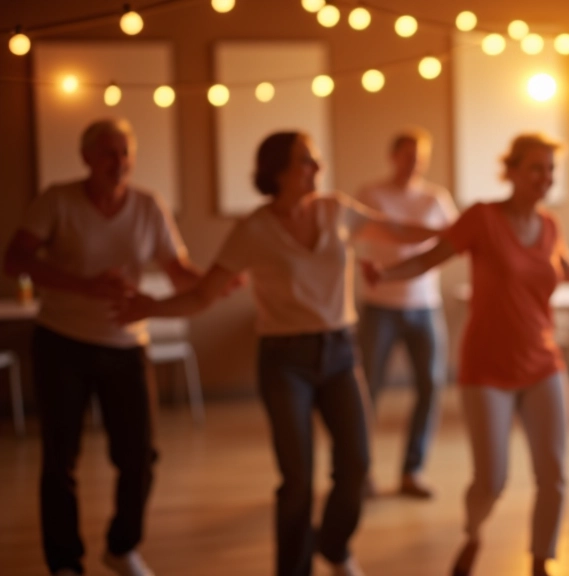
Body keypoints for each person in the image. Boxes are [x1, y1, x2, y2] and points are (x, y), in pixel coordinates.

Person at [118, 131, 441, 576]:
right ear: (277, 173)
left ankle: (334, 545)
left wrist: (460, 233)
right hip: (284, 360)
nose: (316, 169)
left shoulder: (336, 209)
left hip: (340, 352)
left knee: (356, 465)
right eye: (305, 162)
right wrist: (151, 307)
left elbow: (401, 230)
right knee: (297, 482)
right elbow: (204, 293)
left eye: (316, 160)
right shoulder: (253, 229)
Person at [361, 133, 569, 576]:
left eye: (551, 170)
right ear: (512, 171)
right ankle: (473, 533)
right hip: (487, 368)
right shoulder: (482, 218)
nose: (545, 178)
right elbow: (430, 258)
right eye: (536, 168)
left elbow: (564, 270)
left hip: (543, 363)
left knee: (555, 475)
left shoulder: (550, 225)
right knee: (492, 480)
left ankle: (542, 561)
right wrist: (385, 273)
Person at [3, 118, 203, 576]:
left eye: (126, 153)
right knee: (60, 461)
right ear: (87, 158)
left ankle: (122, 546)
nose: (120, 163)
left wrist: (221, 278)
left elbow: (178, 270)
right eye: (110, 153)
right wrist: (83, 285)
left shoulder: (149, 205)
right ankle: (65, 564)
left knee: (141, 458)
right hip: (62, 344)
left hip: (126, 346)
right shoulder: (57, 200)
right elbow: (14, 260)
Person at [354, 129, 458, 499]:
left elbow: (453, 241)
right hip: (380, 305)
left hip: (425, 306)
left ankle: (412, 471)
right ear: (393, 156)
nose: (414, 160)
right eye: (408, 153)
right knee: (368, 390)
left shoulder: (436, 198)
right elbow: (369, 239)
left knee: (430, 387)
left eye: (421, 154)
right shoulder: (372, 195)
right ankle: (360, 471)